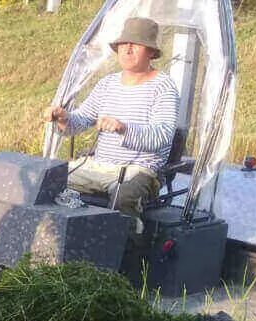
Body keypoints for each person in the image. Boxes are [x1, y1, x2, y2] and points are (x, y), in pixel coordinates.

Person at [45, 16, 179, 223]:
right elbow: (80, 121)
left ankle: (129, 249)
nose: (127, 49)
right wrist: (63, 118)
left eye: (135, 44)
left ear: (151, 52)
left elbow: (162, 136)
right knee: (47, 181)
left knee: (123, 197)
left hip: (138, 171)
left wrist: (123, 128)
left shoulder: (164, 87)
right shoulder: (107, 84)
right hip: (97, 167)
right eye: (123, 44)